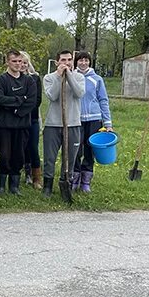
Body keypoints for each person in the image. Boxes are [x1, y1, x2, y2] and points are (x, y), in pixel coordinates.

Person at [42, 50, 86, 198]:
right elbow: (52, 96)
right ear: (57, 62)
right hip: (53, 125)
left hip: (72, 124)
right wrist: (59, 76)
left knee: (70, 158)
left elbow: (79, 93)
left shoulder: (79, 77)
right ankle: (47, 186)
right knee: (49, 158)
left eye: (69, 60)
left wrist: (70, 76)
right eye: (63, 60)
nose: (66, 63)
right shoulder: (49, 78)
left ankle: (65, 183)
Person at [0, 50, 38, 196]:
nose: (18, 64)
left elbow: (31, 101)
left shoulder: (29, 81)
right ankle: (1, 187)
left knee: (19, 156)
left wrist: (17, 111)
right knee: (4, 155)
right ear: (7, 62)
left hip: (22, 124)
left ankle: (14, 187)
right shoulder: (1, 80)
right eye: (14, 61)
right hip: (4, 124)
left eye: (20, 61)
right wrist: (20, 99)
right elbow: (1, 100)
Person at [73, 51, 113, 192]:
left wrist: (107, 123)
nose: (83, 63)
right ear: (76, 62)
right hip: (76, 120)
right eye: (80, 60)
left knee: (90, 150)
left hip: (94, 119)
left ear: (90, 62)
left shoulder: (97, 79)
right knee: (76, 150)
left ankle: (86, 181)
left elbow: (103, 100)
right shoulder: (72, 77)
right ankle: (74, 179)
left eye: (86, 60)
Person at [19, 51, 44, 189]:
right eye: (19, 62)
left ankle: (36, 177)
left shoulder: (35, 78)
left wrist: (24, 110)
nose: (22, 65)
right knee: (20, 148)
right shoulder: (13, 78)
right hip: (16, 119)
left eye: (25, 62)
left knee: (33, 147)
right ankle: (24, 172)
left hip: (32, 118)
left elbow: (37, 100)